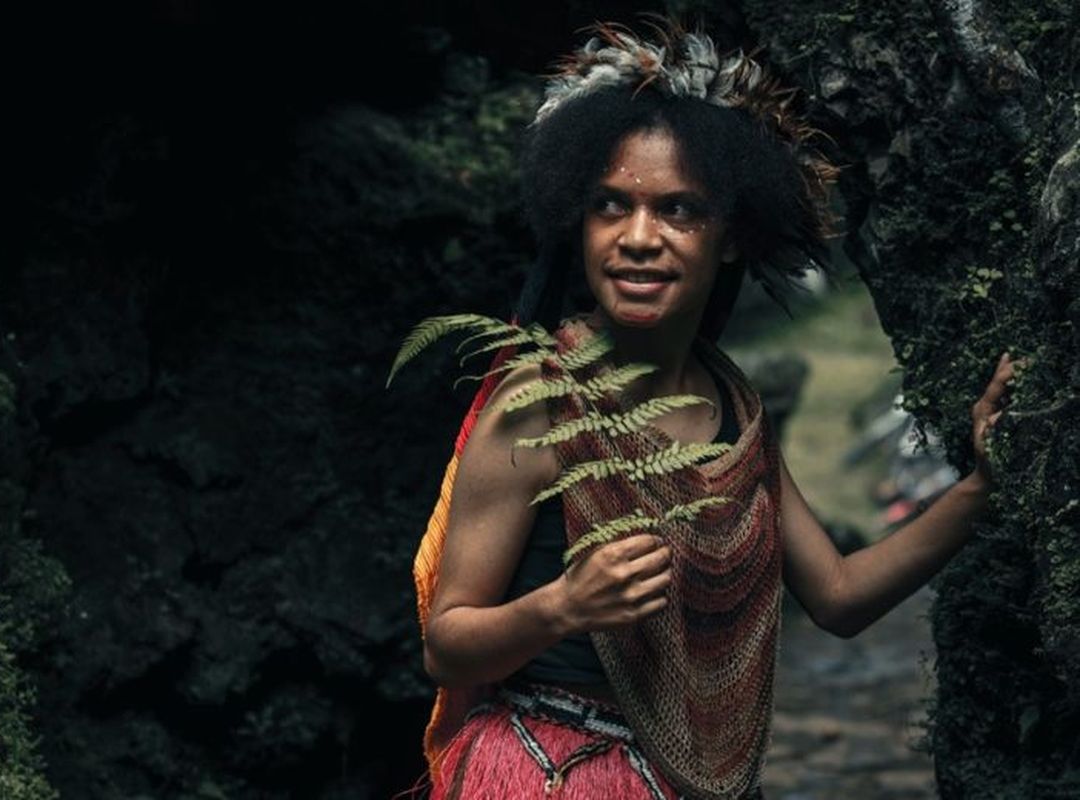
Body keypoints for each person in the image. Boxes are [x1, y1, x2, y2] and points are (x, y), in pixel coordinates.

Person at [403, 18, 1021, 800]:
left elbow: (837, 595)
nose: (637, 238)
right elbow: (447, 646)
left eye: (679, 211)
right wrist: (565, 604)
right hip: (547, 772)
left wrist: (979, 491)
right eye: (610, 205)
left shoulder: (733, 407)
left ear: (730, 236)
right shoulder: (538, 403)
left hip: (696, 780)